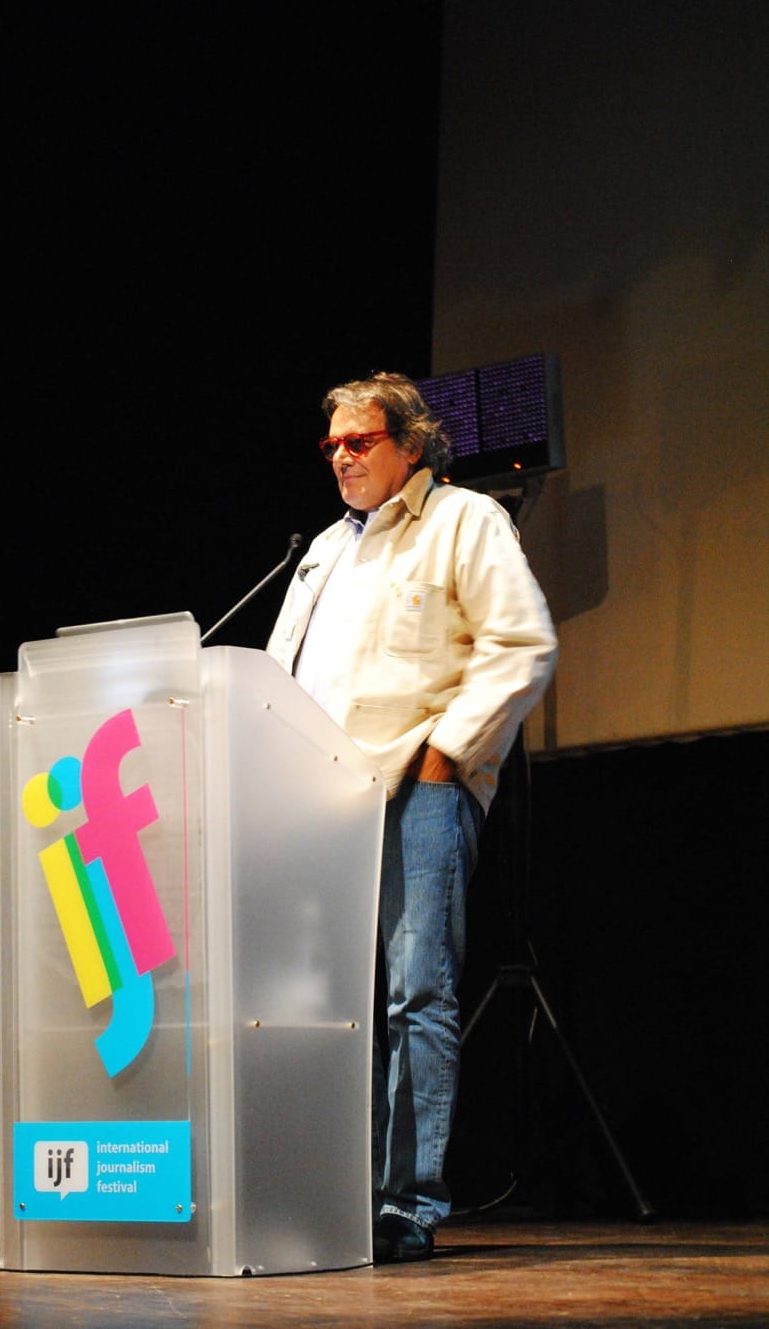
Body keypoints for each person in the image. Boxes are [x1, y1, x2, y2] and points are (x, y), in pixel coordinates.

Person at [266, 371, 558, 1264]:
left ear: (411, 446)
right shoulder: (321, 552)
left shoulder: (464, 521)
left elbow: (523, 642)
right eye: (333, 446)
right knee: (317, 1006)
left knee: (415, 995)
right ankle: (329, 1193)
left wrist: (448, 755)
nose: (342, 458)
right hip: (319, 804)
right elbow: (279, 672)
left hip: (416, 790)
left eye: (360, 442)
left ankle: (407, 1205)